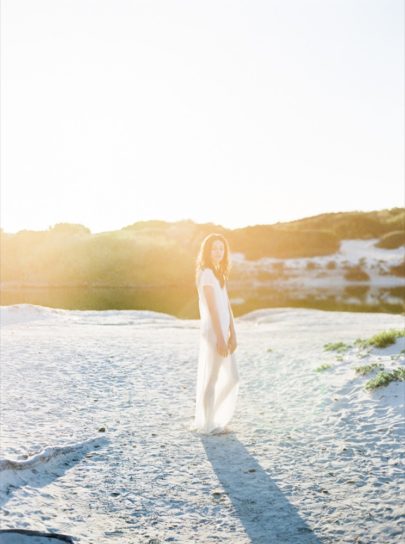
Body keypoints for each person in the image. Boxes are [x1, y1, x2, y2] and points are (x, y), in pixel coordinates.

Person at [191, 233, 240, 435]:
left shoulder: (219, 272)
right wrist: (220, 337)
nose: (218, 252)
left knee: (232, 378)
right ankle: (208, 424)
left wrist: (233, 333)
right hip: (213, 332)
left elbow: (226, 305)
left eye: (221, 248)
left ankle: (212, 418)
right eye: (214, 248)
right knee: (212, 378)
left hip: (224, 331)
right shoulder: (206, 274)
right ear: (207, 251)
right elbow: (212, 309)